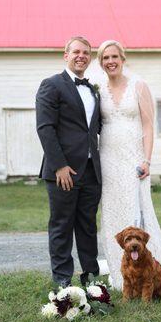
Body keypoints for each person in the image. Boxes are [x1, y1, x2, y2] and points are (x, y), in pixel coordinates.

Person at [97, 40, 161, 290]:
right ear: (101, 63)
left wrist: (147, 159)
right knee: (112, 214)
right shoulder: (98, 88)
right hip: (108, 159)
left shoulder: (139, 86)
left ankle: (150, 274)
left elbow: (147, 125)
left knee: (138, 213)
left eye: (114, 56)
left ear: (123, 59)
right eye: (105, 58)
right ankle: (120, 274)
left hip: (134, 160)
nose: (110, 61)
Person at [36, 36, 102, 288]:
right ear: (66, 55)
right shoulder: (51, 85)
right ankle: (63, 279)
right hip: (64, 170)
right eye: (76, 51)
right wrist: (59, 166)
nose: (81, 56)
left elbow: (95, 128)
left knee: (87, 225)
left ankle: (91, 276)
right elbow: (45, 128)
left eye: (86, 52)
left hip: (91, 171)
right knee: (62, 225)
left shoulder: (92, 89)